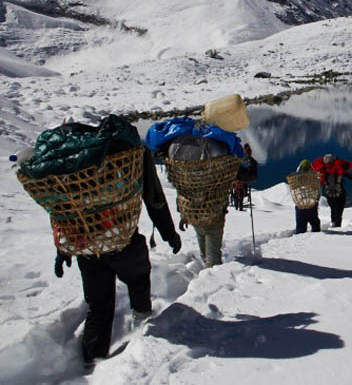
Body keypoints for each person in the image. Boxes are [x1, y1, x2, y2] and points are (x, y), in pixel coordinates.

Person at [49, 117, 181, 365]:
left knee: (99, 306)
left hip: (86, 247)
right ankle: (145, 336)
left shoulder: (66, 170)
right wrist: (168, 233)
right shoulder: (126, 155)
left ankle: (91, 361)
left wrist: (63, 250)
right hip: (124, 242)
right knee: (139, 283)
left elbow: (61, 214)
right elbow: (153, 197)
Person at [168, 134, 230, 268]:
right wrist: (248, 158)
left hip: (194, 214)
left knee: (206, 254)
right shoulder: (220, 159)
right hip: (214, 216)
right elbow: (248, 175)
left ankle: (208, 279)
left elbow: (183, 190)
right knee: (213, 260)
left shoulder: (185, 167)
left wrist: (184, 215)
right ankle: (214, 283)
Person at [312, 153, 352, 227]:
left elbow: (319, 182)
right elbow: (347, 174)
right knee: (339, 211)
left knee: (333, 209)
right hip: (340, 193)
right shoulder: (338, 169)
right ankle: (337, 226)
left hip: (329, 194)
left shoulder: (322, 171)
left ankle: (334, 223)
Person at [293, 159, 321, 233]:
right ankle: (316, 239)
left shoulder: (295, 179)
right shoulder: (314, 179)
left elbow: (293, 193)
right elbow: (318, 193)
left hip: (300, 207)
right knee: (315, 225)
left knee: (300, 226)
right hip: (312, 206)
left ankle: (298, 240)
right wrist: (316, 201)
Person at [232, 143, 258, 211]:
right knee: (242, 186)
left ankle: (236, 199)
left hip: (240, 178)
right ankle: (238, 198)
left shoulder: (242, 159)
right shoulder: (251, 161)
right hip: (246, 178)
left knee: (236, 186)